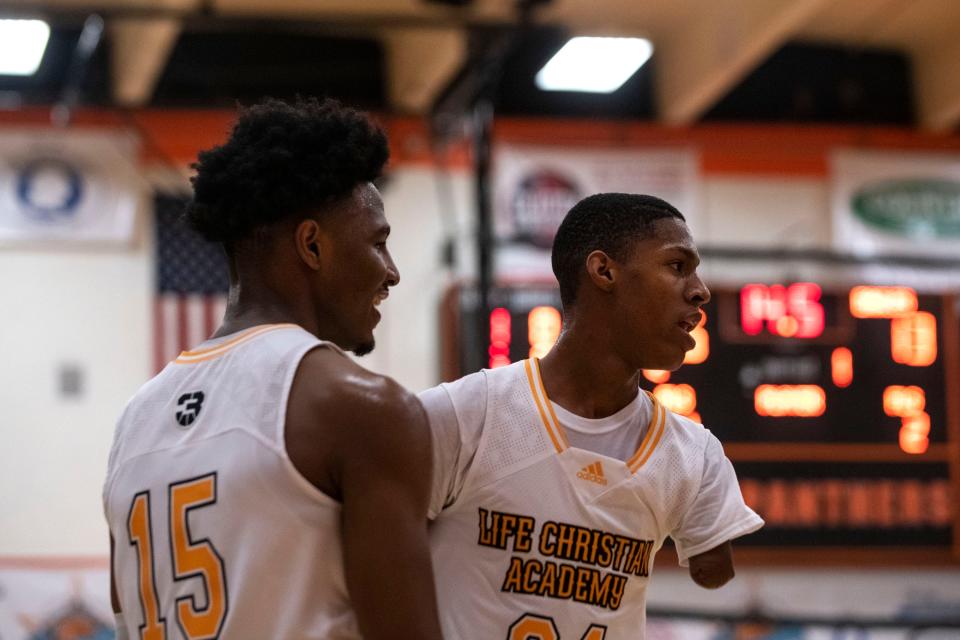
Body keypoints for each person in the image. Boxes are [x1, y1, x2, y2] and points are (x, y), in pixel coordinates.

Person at [103, 97, 443, 640]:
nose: (393, 272)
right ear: (312, 245)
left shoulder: (135, 420)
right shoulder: (361, 408)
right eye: (378, 242)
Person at [421, 193, 763, 639]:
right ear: (604, 271)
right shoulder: (465, 414)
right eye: (677, 266)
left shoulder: (693, 454)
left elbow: (712, 569)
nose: (701, 290)